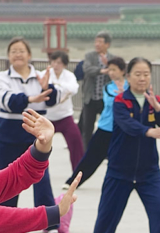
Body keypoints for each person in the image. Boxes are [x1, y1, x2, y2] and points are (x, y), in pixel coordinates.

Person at [79, 58, 160, 233]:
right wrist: (148, 131)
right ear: (128, 76)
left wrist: (158, 108)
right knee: (107, 213)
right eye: (137, 74)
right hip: (119, 169)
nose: (142, 78)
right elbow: (127, 124)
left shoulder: (154, 99)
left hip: (149, 171)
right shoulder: (121, 100)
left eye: (146, 74)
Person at [0, 37, 69, 233]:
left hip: (37, 139)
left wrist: (48, 87)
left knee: (42, 181)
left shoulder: (42, 76)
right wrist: (31, 99)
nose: (17, 54)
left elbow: (56, 98)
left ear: (29, 55)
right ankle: (3, 227)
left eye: (21, 51)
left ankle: (52, 229)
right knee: (5, 182)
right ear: (8, 56)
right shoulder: (2, 77)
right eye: (13, 51)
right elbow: (8, 102)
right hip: (8, 138)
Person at [63, 56, 126, 188]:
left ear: (122, 71)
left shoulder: (130, 87)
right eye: (109, 69)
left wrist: (125, 94)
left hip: (124, 129)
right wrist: (123, 96)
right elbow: (111, 103)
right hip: (106, 127)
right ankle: (73, 182)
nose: (111, 72)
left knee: (125, 158)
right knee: (91, 157)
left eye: (114, 69)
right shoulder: (108, 87)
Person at [45, 51, 84, 171]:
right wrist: (62, 89)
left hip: (65, 117)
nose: (56, 65)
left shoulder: (69, 76)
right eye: (54, 62)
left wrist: (56, 87)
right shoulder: (45, 74)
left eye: (59, 63)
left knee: (76, 141)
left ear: (65, 65)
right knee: (37, 146)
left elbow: (74, 88)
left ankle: (78, 173)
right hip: (47, 118)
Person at [78, 31, 115, 148]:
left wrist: (108, 65)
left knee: (107, 126)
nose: (97, 44)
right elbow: (87, 69)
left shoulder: (113, 59)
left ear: (107, 44)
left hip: (105, 99)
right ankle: (86, 151)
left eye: (100, 42)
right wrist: (101, 70)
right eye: (96, 42)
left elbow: (117, 74)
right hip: (90, 98)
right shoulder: (90, 56)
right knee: (87, 128)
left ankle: (106, 150)